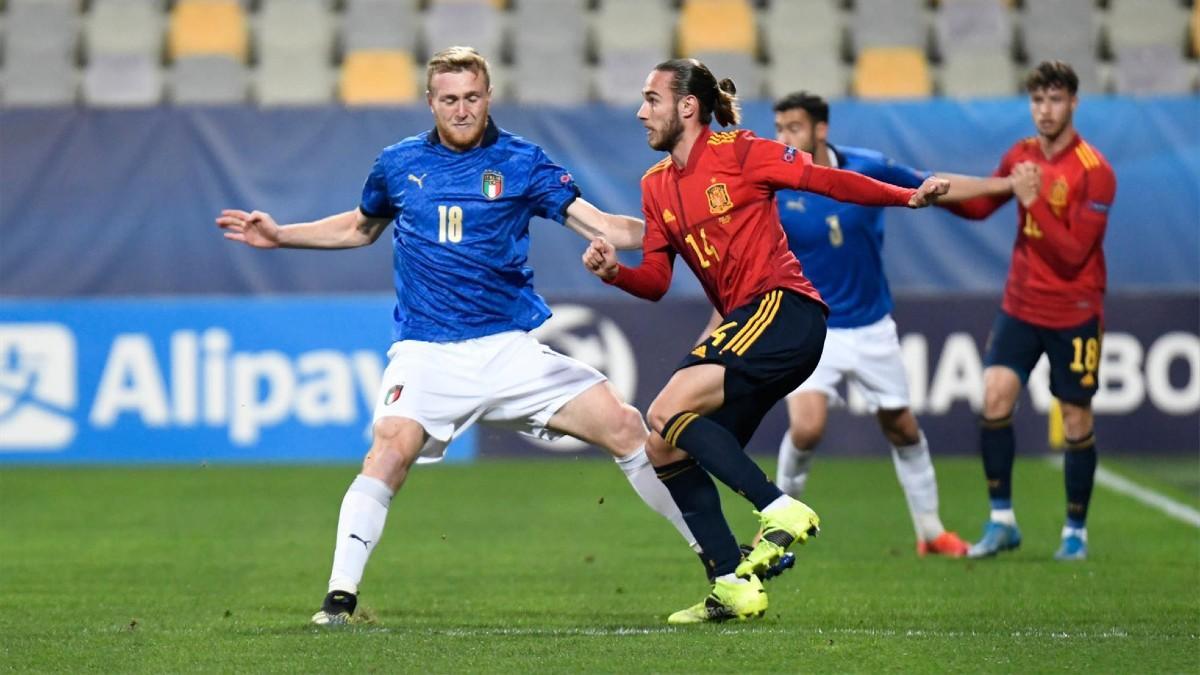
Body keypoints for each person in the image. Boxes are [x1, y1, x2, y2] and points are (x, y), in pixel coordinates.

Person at [216, 46, 700, 625]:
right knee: (387, 451)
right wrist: (281, 235)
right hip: (427, 352)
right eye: (449, 99)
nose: (462, 110)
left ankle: (718, 557)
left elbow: (602, 225)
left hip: (508, 349)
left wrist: (687, 228)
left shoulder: (521, 161)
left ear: (489, 96)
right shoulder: (397, 164)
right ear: (430, 102)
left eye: (472, 97)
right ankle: (339, 598)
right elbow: (360, 226)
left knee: (625, 426)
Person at [582, 58, 949, 624]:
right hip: (752, 327)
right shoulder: (655, 187)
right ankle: (731, 583)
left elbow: (827, 180)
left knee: (663, 409)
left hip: (786, 309)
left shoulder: (741, 150)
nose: (640, 111)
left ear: (687, 106)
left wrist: (908, 197)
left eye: (651, 99)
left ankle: (779, 508)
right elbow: (656, 282)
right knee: (665, 446)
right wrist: (614, 274)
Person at [700, 92, 1014, 559]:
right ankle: (774, 531)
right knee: (807, 429)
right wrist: (713, 332)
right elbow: (739, 265)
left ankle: (930, 532)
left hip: (871, 326)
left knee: (902, 428)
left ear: (820, 130)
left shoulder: (867, 167)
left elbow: (933, 186)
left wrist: (1002, 186)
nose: (783, 136)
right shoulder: (775, 184)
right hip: (811, 325)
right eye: (779, 127)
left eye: (793, 128)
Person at [950, 61, 1116, 561]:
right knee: (995, 396)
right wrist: (938, 197)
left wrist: (1034, 199)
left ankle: (1075, 532)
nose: (1045, 110)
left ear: (1073, 104)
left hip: (1075, 310)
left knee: (1075, 419)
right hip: (1020, 305)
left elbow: (1072, 255)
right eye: (1038, 100)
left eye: (1055, 100)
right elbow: (983, 206)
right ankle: (1002, 521)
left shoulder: (1096, 172)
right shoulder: (1020, 156)